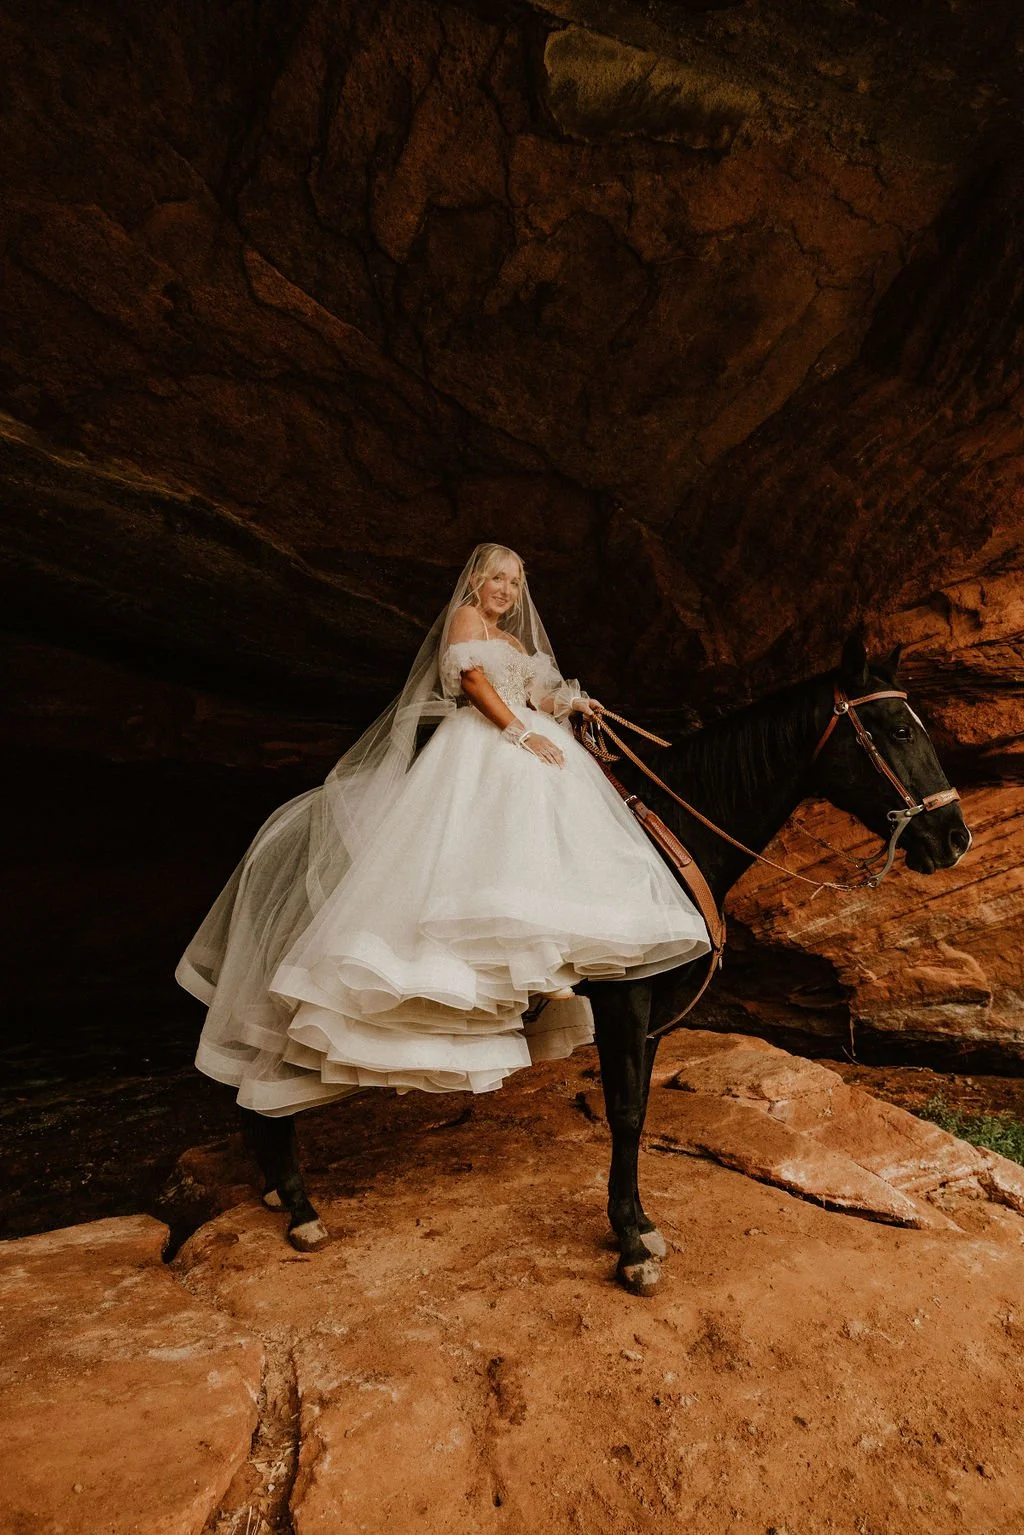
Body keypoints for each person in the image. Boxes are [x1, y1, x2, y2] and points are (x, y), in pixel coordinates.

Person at [176, 544, 710, 1115]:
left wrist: (569, 702)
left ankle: (550, 961)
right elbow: (475, 684)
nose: (505, 589)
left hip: (525, 731)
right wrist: (519, 734)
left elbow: (534, 694)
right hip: (485, 741)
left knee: (560, 833)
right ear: (476, 581)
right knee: (490, 832)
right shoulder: (465, 620)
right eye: (497, 578)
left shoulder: (514, 641)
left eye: (515, 582)